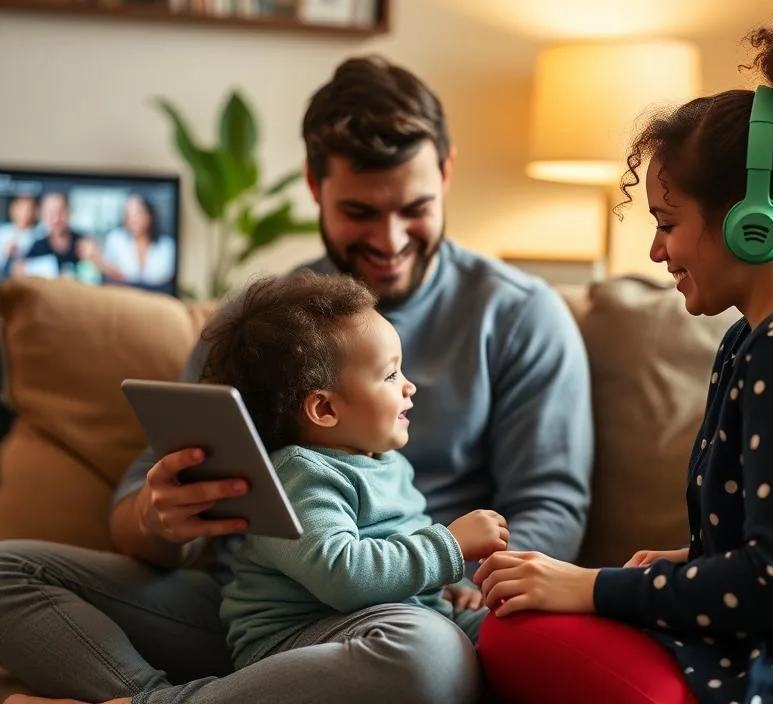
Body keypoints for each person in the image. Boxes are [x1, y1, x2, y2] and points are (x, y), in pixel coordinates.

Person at [0, 55, 593, 704]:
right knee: (7, 569)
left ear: (447, 174)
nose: (390, 240)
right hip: (244, 610)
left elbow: (549, 506)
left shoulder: (519, 316)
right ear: (315, 184)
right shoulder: (264, 327)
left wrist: (465, 580)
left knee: (427, 656)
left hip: (402, 613)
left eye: (414, 208)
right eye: (360, 212)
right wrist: (158, 515)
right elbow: (140, 501)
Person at [473, 7, 773, 704]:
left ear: (754, 223)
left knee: (510, 630)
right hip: (764, 649)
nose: (656, 251)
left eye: (667, 223)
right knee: (518, 613)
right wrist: (692, 563)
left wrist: (594, 587)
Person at [201, 271, 506, 670]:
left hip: (389, 621)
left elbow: (398, 550)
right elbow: (344, 576)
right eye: (391, 374)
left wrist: (450, 586)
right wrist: (448, 547)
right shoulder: (299, 476)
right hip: (299, 642)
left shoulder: (386, 460)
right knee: (426, 649)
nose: (409, 386)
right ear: (325, 409)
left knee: (513, 628)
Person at [90, 194, 176, 291]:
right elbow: (109, 273)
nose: (133, 220)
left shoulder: (167, 245)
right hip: (124, 296)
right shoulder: (115, 239)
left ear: (149, 214)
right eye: (128, 214)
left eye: (137, 213)